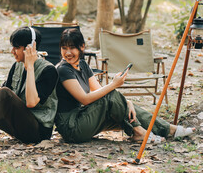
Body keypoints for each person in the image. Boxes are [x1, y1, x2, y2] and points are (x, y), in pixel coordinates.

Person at [54, 28, 195, 144]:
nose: (67, 53)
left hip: (83, 119)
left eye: (72, 48)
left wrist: (127, 102)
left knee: (125, 104)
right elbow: (85, 99)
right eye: (64, 48)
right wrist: (113, 85)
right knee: (110, 94)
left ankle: (169, 129)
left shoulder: (83, 65)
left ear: (82, 47)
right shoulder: (63, 69)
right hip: (72, 128)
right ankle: (139, 131)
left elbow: (98, 91)